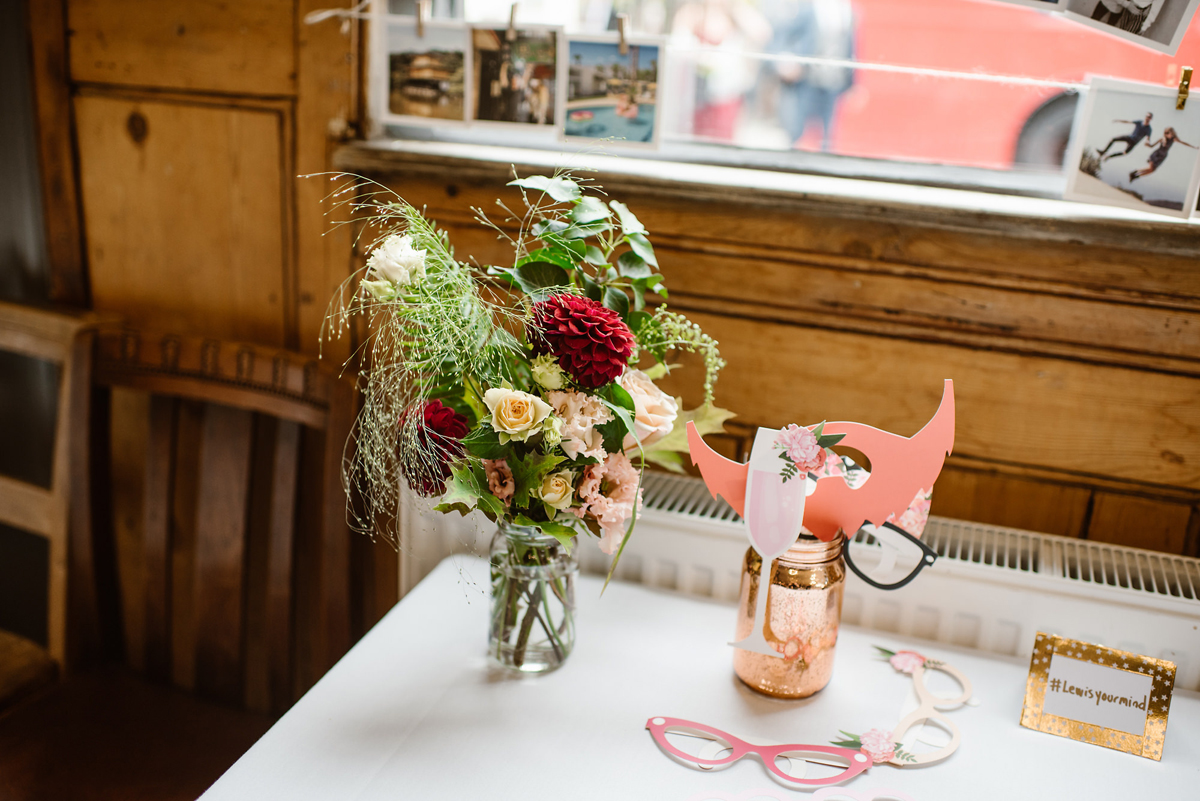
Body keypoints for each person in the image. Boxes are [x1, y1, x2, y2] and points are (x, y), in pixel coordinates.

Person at [769, 0, 856, 151]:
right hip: (807, 79)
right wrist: (783, 61)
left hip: (834, 81)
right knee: (798, 130)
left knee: (829, 134)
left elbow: (851, 47)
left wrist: (852, 83)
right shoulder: (809, 9)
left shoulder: (848, 11)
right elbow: (783, 35)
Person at [1130, 127, 1198, 182]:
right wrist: (1147, 145)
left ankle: (1135, 176)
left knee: (1152, 170)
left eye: (1171, 133)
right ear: (1166, 133)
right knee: (1150, 168)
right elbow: (1152, 146)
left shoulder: (1173, 139)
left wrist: (1193, 147)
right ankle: (1134, 172)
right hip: (1157, 154)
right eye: (1168, 133)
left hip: (1163, 156)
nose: (1170, 135)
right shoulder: (1162, 139)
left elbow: (1183, 142)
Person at [1089, 0, 1164, 36]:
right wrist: (1127, 4)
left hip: (1126, 9)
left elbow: (1156, 5)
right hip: (1110, 3)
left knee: (1111, 30)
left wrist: (1145, 25)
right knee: (1093, 22)